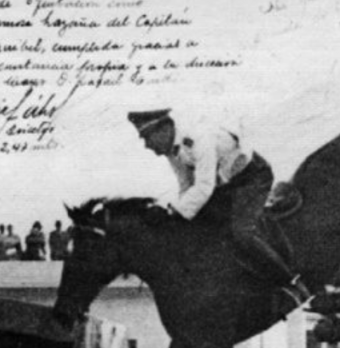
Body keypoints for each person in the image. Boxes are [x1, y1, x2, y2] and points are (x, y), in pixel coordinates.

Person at [128, 109, 311, 305]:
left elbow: (204, 187)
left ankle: (291, 283)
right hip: (226, 184)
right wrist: (174, 215)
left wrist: (174, 211)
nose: (147, 145)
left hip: (252, 178)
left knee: (242, 233)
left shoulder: (198, 139)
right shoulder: (172, 150)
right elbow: (186, 186)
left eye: (147, 137)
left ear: (164, 129)